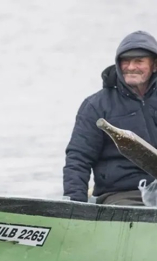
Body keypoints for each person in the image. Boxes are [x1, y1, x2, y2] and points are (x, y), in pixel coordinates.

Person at [63, 30, 157, 206]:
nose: (130, 67)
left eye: (139, 61)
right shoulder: (96, 105)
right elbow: (78, 158)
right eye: (125, 61)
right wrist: (74, 205)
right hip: (121, 195)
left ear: (154, 65)